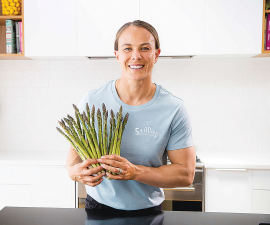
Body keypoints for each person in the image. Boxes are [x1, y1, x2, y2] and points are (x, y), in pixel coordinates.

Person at [65, 20, 196, 213]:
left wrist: (134, 172)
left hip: (148, 212)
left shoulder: (173, 108)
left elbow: (185, 174)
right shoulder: (92, 100)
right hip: (98, 209)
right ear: (117, 55)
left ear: (156, 54)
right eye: (127, 49)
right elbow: (72, 162)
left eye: (145, 48)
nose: (136, 56)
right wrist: (75, 173)